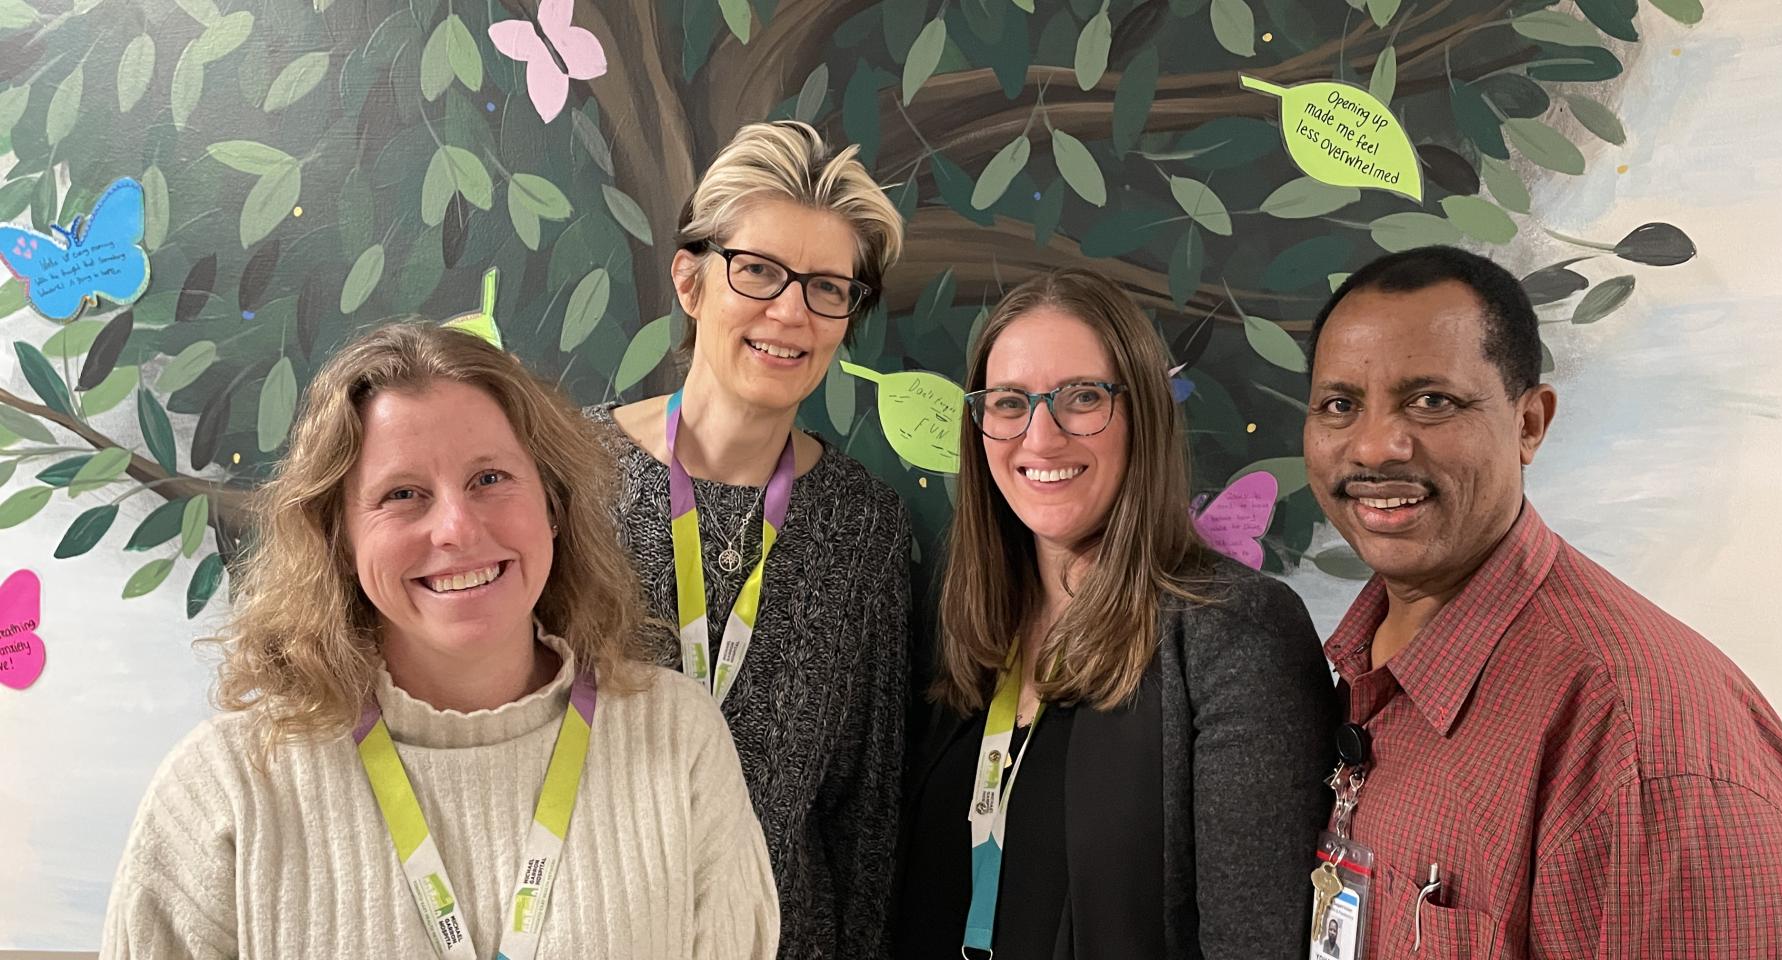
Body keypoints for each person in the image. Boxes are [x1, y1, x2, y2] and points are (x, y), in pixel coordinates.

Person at [102, 324, 777, 959]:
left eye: (489, 478)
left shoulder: (680, 740)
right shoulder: (225, 792)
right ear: (339, 538)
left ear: (552, 502)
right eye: (402, 494)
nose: (455, 528)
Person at [1300, 246, 1782, 958]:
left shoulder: (1643, 744)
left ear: (1530, 424)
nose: (1377, 446)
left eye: (1432, 401)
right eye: (1340, 405)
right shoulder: (1362, 661)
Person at [896, 268, 1338, 960]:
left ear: (1142, 416)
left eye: (1081, 397)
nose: (1040, 438)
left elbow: (1253, 942)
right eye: (1009, 402)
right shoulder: (964, 625)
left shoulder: (1237, 632)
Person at [585, 120, 911, 960]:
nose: (791, 312)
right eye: (759, 271)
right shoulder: (566, 477)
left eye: (828, 288)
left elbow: (866, 818)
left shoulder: (862, 528)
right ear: (691, 282)